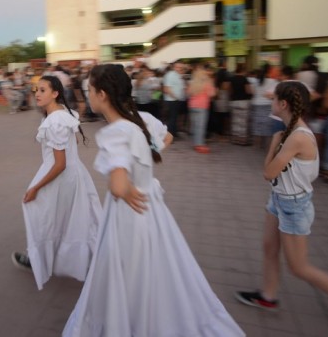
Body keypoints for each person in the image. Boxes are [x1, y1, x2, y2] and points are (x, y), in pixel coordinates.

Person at [63, 64, 244, 337]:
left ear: (102, 94)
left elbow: (118, 185)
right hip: (152, 208)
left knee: (127, 272)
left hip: (128, 212)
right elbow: (167, 137)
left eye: (89, 90)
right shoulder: (143, 119)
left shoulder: (117, 132)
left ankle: (129, 323)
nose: (87, 95)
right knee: (154, 269)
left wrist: (124, 186)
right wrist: (145, 160)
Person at [234, 81, 328, 337]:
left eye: (274, 99)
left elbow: (268, 172)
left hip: (293, 205)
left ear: (283, 104)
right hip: (279, 198)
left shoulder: (296, 137)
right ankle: (268, 295)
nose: (271, 102)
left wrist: (274, 142)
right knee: (269, 247)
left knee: (299, 268)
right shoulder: (290, 133)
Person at [11, 75, 102, 290]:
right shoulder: (63, 113)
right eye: (36, 90)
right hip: (73, 173)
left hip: (60, 175)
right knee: (73, 218)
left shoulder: (54, 120)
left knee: (40, 213)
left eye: (43, 90)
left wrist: (36, 187)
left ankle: (39, 260)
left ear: (55, 93)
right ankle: (88, 258)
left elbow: (59, 163)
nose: (37, 94)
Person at [187, 63, 216, 153]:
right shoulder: (207, 82)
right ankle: (199, 145)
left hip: (192, 106)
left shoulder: (193, 82)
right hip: (202, 106)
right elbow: (212, 94)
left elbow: (188, 93)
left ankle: (196, 143)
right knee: (201, 127)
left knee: (195, 126)